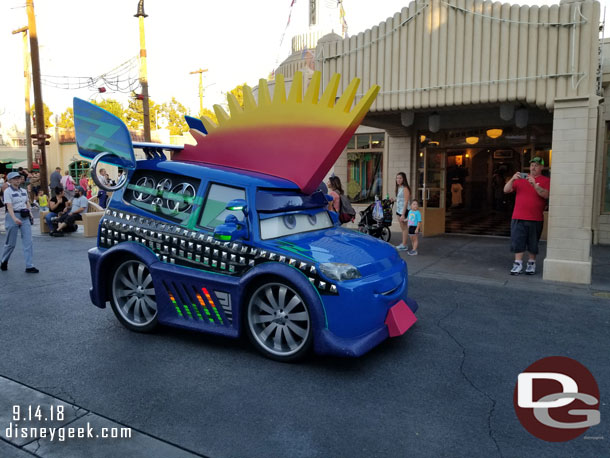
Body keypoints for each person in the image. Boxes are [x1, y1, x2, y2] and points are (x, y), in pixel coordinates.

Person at [503, 156, 550, 275]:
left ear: (541, 167)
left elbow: (545, 195)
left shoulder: (546, 180)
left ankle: (531, 264)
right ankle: (517, 264)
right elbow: (506, 190)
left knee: (533, 243)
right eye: (532, 165)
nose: (534, 167)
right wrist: (512, 179)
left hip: (535, 218)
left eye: (537, 165)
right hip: (518, 216)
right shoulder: (519, 180)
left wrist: (535, 184)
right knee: (518, 241)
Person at [1, 172, 38, 273]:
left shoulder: (23, 191)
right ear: (10, 180)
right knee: (11, 243)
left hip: (24, 216)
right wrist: (14, 218)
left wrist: (30, 214)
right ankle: (4, 260)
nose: (17, 180)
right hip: (13, 216)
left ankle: (29, 265)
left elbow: (27, 203)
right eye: (15, 178)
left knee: (28, 241)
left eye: (18, 178)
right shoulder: (7, 191)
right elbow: (9, 206)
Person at [394, 172, 411, 251]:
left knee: (404, 228)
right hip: (398, 210)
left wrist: (403, 214)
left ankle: (404, 245)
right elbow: (400, 199)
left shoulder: (405, 188)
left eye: (400, 178)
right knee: (402, 228)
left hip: (403, 211)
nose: (398, 180)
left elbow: (406, 202)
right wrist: (393, 200)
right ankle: (403, 243)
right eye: (397, 178)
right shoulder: (399, 187)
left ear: (403, 179)